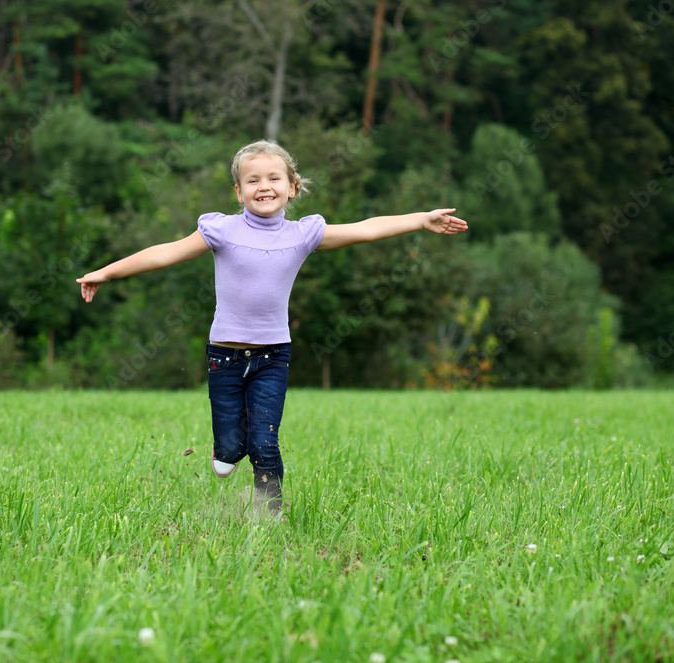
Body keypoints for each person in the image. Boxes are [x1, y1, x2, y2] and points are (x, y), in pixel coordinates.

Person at [77, 139, 468, 515]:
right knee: (230, 450)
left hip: (272, 357)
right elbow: (164, 254)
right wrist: (107, 272)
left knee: (265, 443)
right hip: (224, 358)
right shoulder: (221, 230)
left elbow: (366, 228)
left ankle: (268, 514)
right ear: (238, 192)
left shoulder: (303, 235)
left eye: (274, 178)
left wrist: (421, 219)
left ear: (293, 187)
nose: (264, 186)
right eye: (253, 180)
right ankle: (225, 449)